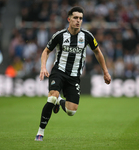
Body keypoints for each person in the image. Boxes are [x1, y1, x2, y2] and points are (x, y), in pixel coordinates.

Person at [35, 6, 111, 141]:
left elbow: (98, 52)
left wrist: (105, 72)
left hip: (74, 76)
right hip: (58, 71)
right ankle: (40, 132)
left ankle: (59, 101)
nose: (78, 21)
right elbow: (46, 51)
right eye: (75, 18)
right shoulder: (59, 35)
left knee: (71, 111)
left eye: (80, 18)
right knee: (52, 97)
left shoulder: (87, 36)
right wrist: (43, 67)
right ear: (69, 19)